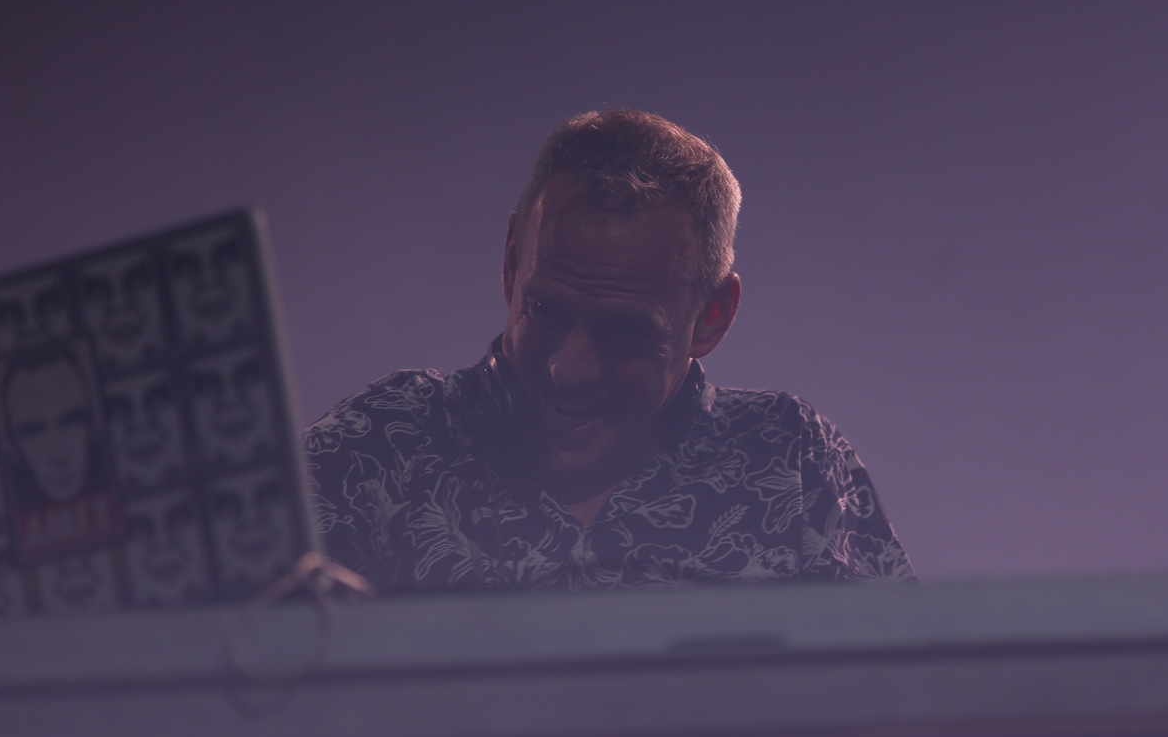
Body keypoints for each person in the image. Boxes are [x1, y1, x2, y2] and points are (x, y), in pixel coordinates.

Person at [305, 110, 915, 592]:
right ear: (513, 261)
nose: (565, 370)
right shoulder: (381, 444)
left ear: (712, 317)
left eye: (623, 331)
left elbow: (908, 695)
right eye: (545, 310)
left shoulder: (790, 459)